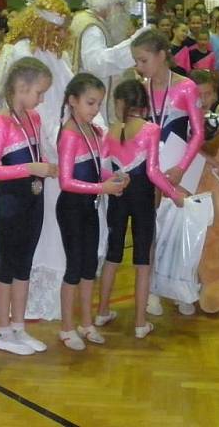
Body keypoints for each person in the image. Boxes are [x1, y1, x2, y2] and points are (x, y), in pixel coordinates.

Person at [96, 79, 182, 339]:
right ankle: (140, 322)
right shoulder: (150, 129)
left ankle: (101, 311)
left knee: (113, 254)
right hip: (143, 199)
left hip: (118, 197)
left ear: (119, 103)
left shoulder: (110, 130)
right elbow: (153, 172)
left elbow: (103, 171)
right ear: (143, 104)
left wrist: (116, 181)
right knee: (143, 259)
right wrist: (174, 194)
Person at [0, 58, 57, 356]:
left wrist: (43, 169)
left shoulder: (33, 119)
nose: (41, 99)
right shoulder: (2, 123)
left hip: (33, 197)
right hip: (11, 200)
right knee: (9, 265)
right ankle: (2, 331)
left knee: (25, 264)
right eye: (39, 93)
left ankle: (18, 327)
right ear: (22, 88)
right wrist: (31, 168)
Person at [131, 30, 204, 315]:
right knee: (149, 230)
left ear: (162, 56)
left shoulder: (186, 87)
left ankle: (182, 287)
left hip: (178, 166)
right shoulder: (141, 89)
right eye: (136, 61)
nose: (139, 66)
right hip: (148, 169)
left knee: (179, 229)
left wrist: (181, 167)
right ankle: (150, 289)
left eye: (143, 60)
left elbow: (197, 133)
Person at [56, 73, 129, 350]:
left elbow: (103, 168)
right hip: (72, 208)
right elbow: (66, 181)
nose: (95, 109)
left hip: (90, 206)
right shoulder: (70, 134)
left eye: (99, 103)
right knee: (74, 268)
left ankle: (86, 322)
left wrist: (118, 177)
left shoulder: (95, 131)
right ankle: (66, 327)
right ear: (73, 101)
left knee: (89, 268)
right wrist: (102, 188)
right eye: (90, 103)